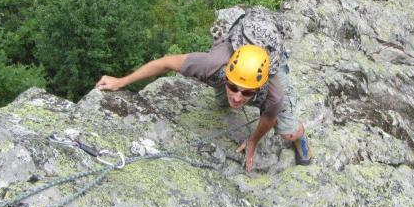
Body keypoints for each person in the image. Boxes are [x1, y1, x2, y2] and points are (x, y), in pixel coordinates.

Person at [96, 42, 312, 172]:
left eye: (246, 92)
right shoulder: (210, 66)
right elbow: (165, 62)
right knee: (222, 101)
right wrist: (121, 81)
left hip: (270, 61)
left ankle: (300, 136)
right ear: (227, 75)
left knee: (288, 133)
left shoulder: (272, 93)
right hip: (228, 63)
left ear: (258, 88)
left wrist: (252, 140)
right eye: (232, 87)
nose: (237, 98)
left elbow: (268, 118)